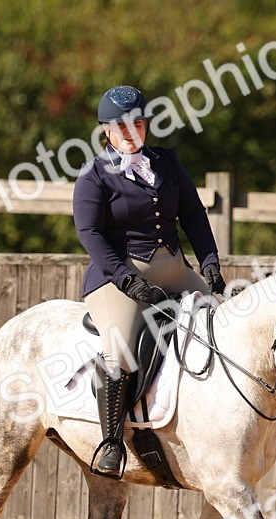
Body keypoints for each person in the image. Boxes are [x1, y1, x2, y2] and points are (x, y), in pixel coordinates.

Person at [74, 85, 227, 479]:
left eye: (138, 123)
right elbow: (90, 233)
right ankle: (110, 443)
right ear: (105, 130)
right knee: (121, 350)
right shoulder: (94, 175)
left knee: (222, 324)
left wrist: (209, 260)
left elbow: (193, 213)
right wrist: (124, 278)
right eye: (121, 125)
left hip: (174, 267)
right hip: (117, 274)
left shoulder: (167, 162)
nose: (131, 130)